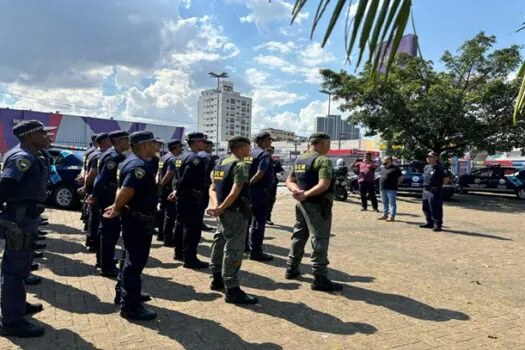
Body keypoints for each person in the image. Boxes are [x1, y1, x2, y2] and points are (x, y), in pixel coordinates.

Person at [0, 120, 56, 337]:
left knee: (22, 267)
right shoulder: (22, 157)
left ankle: (17, 306)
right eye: (42, 133)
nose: (47, 136)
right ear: (30, 136)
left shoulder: (32, 154)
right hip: (20, 220)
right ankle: (12, 321)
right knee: (14, 270)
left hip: (27, 219)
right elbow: (5, 187)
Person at [103, 131, 159, 321]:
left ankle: (125, 294)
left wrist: (117, 206)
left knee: (128, 258)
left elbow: (121, 187)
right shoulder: (138, 165)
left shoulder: (128, 161)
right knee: (134, 263)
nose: (156, 147)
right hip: (138, 220)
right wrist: (117, 206)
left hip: (133, 218)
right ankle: (131, 306)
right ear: (144, 145)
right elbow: (126, 189)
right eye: (153, 143)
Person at [285, 132, 343, 292]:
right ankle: (320, 278)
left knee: (299, 235)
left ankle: (291, 268)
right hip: (318, 205)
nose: (329, 147)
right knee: (319, 239)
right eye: (329, 144)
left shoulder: (300, 159)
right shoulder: (323, 160)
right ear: (323, 144)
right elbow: (324, 184)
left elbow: (289, 180)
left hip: (301, 205)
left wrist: (297, 192)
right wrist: (305, 194)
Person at [207, 135, 258, 305]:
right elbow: (236, 190)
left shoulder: (221, 163)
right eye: (248, 148)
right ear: (242, 148)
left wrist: (216, 206)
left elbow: (212, 187)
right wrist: (220, 207)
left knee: (219, 242)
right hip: (235, 212)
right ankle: (232, 289)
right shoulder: (240, 165)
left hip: (223, 212)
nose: (249, 151)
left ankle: (216, 279)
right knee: (234, 248)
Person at [168, 132, 208, 268]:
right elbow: (186, 178)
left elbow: (175, 178)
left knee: (180, 225)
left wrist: (175, 191)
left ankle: (178, 253)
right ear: (195, 143)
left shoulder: (179, 157)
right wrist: (178, 191)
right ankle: (190, 259)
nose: (204, 143)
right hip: (191, 198)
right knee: (192, 229)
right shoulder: (195, 158)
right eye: (202, 141)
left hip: (182, 197)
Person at [92, 130, 129, 277]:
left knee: (105, 232)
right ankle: (106, 267)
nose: (128, 142)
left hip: (105, 198)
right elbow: (102, 180)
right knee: (110, 234)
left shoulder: (108, 154)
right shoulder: (114, 157)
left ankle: (103, 261)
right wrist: (96, 197)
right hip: (109, 200)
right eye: (126, 139)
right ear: (119, 141)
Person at [79, 133, 111, 255]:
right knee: (95, 219)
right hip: (96, 191)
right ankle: (93, 242)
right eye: (109, 140)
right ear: (103, 142)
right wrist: (87, 188)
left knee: (93, 217)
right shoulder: (98, 156)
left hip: (93, 190)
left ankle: (91, 240)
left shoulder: (92, 154)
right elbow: (91, 174)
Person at [245, 131, 274, 261]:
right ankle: (256, 251)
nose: (270, 143)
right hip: (259, 192)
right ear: (261, 141)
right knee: (258, 222)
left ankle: (245, 246)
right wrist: (250, 184)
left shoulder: (248, 153)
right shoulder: (264, 155)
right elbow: (260, 173)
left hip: (246, 192)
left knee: (246, 220)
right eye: (268, 140)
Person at [157, 139, 183, 244]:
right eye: (180, 147)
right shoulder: (173, 159)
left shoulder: (163, 157)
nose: (182, 149)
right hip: (169, 190)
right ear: (176, 147)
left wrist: (159, 186)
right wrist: (162, 185)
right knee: (170, 215)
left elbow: (158, 173)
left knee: (162, 212)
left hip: (163, 189)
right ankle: (167, 238)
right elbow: (170, 174)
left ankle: (160, 235)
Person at [420, 152, 450, 232]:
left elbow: (446, 179)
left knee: (435, 208)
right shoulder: (426, 167)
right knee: (425, 207)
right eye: (428, 157)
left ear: (435, 158)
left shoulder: (440, 168)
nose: (428, 158)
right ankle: (429, 223)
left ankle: (437, 224)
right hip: (426, 190)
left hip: (434, 190)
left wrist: (438, 186)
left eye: (430, 157)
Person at [377, 156, 404, 222]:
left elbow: (401, 178)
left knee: (392, 203)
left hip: (391, 189)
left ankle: (392, 216)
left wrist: (396, 184)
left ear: (389, 160)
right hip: (382, 188)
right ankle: (385, 215)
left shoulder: (396, 168)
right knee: (384, 203)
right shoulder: (383, 168)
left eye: (384, 160)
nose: (383, 161)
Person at [199, 139, 215, 232]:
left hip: (198, 185)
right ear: (206, 146)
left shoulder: (197, 154)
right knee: (202, 205)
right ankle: (199, 223)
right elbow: (207, 172)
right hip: (205, 185)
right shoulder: (207, 157)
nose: (212, 148)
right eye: (211, 146)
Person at [266, 146, 283, 226]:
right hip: (261, 186)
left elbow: (280, 170)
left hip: (272, 186)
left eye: (270, 151)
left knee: (271, 201)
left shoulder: (275, 162)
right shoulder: (258, 161)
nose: (268, 152)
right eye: (267, 151)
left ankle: (267, 218)